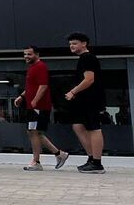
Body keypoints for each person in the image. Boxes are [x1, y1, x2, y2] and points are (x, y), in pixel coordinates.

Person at [14, 46, 68, 171]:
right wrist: (22, 96)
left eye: (29, 54)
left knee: (33, 132)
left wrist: (35, 101)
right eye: (25, 54)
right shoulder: (32, 68)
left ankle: (36, 161)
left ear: (37, 54)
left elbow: (43, 86)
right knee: (34, 132)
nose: (26, 56)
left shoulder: (40, 66)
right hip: (33, 106)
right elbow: (32, 87)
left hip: (38, 107)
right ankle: (59, 154)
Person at [64, 32, 105, 173]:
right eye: (70, 44)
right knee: (78, 126)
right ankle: (91, 158)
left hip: (91, 99)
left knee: (94, 128)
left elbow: (89, 79)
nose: (71, 46)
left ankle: (97, 163)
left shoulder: (87, 58)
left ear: (84, 44)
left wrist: (73, 92)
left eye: (74, 43)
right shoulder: (83, 58)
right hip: (83, 100)